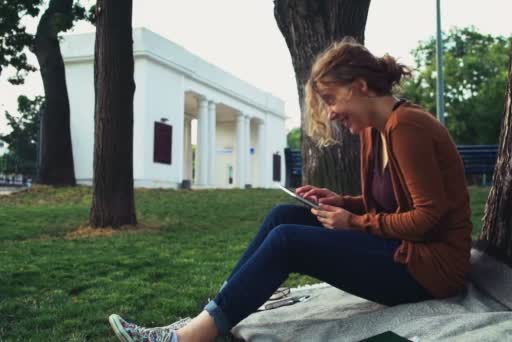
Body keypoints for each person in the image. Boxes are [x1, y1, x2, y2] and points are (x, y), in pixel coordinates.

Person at [108, 37, 473, 342]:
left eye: (331, 99)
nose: (330, 113)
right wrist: (342, 202)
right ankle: (210, 315)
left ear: (360, 86)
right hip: (401, 251)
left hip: (430, 272)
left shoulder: (407, 127)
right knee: (283, 215)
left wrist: (355, 223)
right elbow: (391, 201)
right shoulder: (372, 132)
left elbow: (427, 217)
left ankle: (186, 339)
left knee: (288, 241)